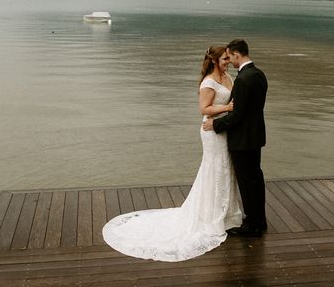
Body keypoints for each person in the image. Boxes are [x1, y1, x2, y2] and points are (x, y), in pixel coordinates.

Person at [102, 46, 243, 261]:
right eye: (224, 59)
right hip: (211, 130)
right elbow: (204, 109)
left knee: (226, 168)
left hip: (224, 128)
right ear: (214, 60)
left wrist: (230, 111)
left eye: (227, 58)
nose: (227, 61)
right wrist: (228, 109)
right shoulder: (208, 82)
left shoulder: (228, 77)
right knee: (215, 168)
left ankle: (227, 214)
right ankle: (211, 217)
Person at [202, 39, 268, 237]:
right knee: (256, 179)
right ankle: (259, 219)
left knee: (247, 182)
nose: (229, 61)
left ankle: (253, 226)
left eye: (230, 57)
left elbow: (238, 114)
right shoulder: (259, 75)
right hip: (256, 136)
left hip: (242, 140)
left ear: (237, 55)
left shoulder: (242, 79)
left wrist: (215, 124)